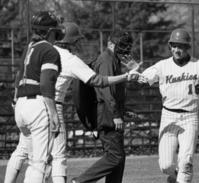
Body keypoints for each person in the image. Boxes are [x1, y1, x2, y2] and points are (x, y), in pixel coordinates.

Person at [4, 22, 140, 183]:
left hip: (23, 103)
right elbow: (97, 81)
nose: (78, 44)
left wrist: (15, 99)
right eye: (76, 41)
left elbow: (20, 74)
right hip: (48, 105)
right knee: (52, 159)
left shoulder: (35, 48)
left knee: (22, 151)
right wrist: (126, 76)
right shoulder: (67, 58)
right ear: (70, 40)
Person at [140, 28, 199, 183]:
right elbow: (142, 80)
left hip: (190, 117)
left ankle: (183, 176)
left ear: (187, 47)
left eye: (181, 46)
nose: (177, 49)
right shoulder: (162, 66)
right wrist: (134, 73)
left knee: (186, 161)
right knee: (166, 165)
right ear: (170, 46)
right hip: (168, 116)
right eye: (174, 45)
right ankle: (175, 176)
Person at [4, 11, 64, 183]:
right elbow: (46, 83)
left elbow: (18, 77)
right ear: (51, 30)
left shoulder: (30, 47)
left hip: (21, 105)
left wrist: (16, 101)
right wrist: (53, 113)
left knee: (29, 157)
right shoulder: (49, 50)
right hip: (37, 105)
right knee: (40, 162)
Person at [71, 31, 135, 183]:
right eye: (122, 45)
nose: (125, 49)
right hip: (106, 114)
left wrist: (123, 111)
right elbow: (106, 91)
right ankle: (79, 181)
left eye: (127, 45)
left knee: (118, 157)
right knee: (115, 156)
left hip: (110, 112)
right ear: (111, 44)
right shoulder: (106, 60)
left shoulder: (114, 60)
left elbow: (115, 91)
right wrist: (116, 115)